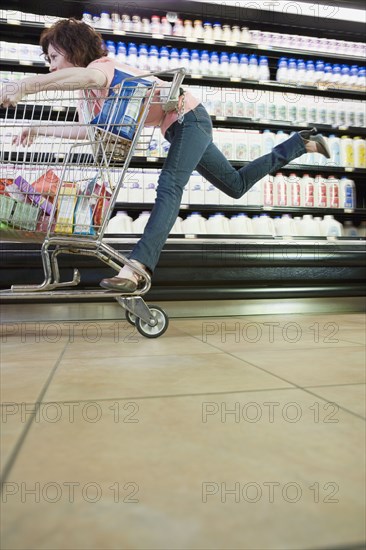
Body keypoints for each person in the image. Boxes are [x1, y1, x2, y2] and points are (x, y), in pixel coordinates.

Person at [0, 18, 331, 293]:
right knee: (235, 184)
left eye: (54, 56)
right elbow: (89, 132)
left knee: (169, 185)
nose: (51, 64)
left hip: (189, 117)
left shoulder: (103, 67)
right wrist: (39, 130)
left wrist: (27, 86)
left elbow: (85, 76)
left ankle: (136, 268)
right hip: (177, 128)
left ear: (73, 50)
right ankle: (301, 143)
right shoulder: (88, 96)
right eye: (47, 60)